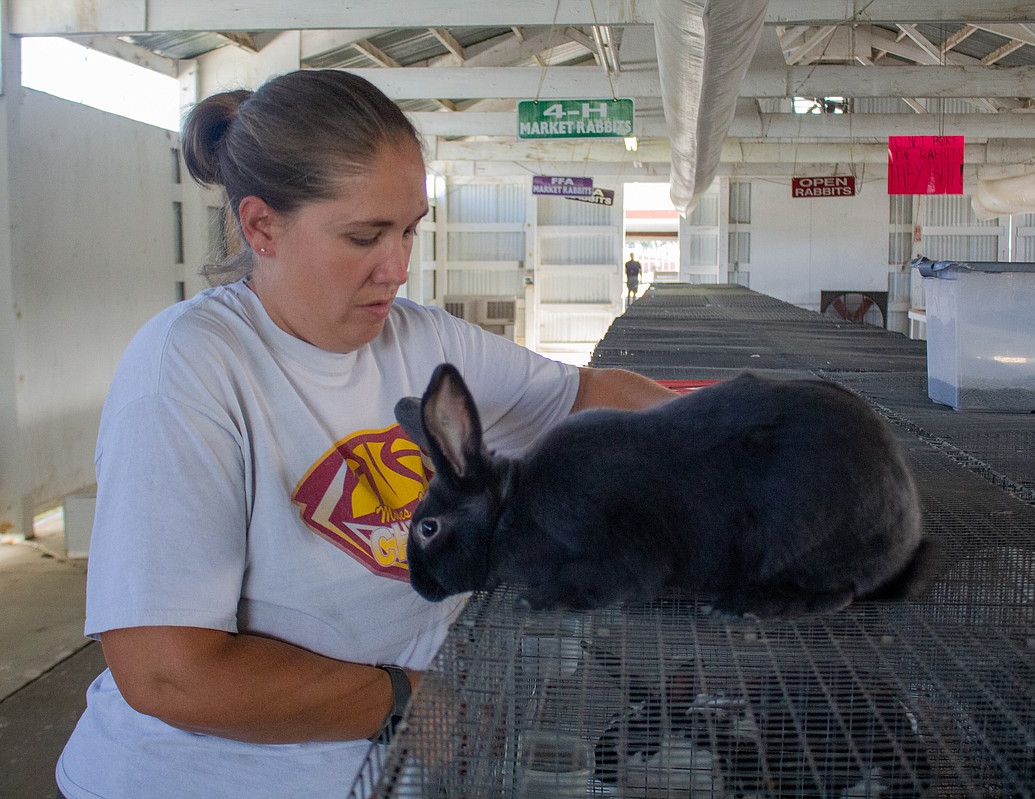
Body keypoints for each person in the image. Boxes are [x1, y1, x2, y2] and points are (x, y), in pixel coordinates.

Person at [56, 69, 675, 799]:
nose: (398, 267)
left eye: (410, 229)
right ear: (261, 227)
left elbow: (586, 395)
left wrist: (737, 441)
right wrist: (404, 697)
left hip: (382, 771)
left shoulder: (414, 339)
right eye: (363, 236)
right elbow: (166, 672)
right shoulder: (190, 370)